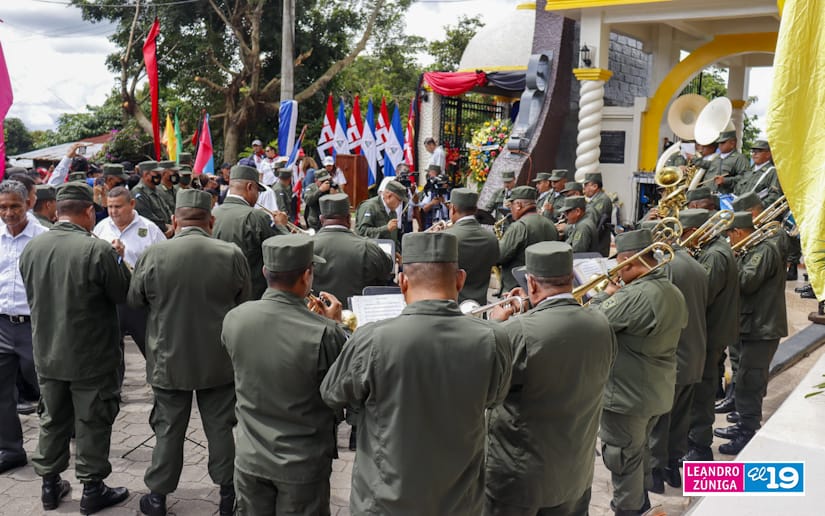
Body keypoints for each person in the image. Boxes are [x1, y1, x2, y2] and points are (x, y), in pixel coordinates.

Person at [321, 232, 513, 515]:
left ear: (402, 282)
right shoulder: (494, 338)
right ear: (460, 279)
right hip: (459, 501)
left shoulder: (372, 338)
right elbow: (495, 398)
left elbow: (332, 394)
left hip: (385, 502)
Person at [128, 189, 251, 516]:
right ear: (211, 221)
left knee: (168, 428)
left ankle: (157, 497)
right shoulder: (231, 254)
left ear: (174, 219)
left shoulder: (154, 254)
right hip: (218, 359)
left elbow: (134, 300)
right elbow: (244, 303)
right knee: (221, 427)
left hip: (168, 358)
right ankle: (228, 495)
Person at [19, 182, 132, 513]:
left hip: (48, 352)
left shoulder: (33, 247)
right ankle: (92, 489)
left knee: (52, 418)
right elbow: (122, 293)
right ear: (88, 212)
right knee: (92, 420)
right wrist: (119, 259)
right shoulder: (98, 250)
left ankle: (49, 485)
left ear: (57, 211)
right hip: (91, 356)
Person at [485, 241, 616, 516]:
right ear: (570, 278)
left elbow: (485, 391)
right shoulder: (601, 323)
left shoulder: (513, 332)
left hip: (519, 482)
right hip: (575, 474)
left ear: (531, 284)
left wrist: (496, 325)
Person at [222, 234, 347, 514]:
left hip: (251, 456)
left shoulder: (235, 318)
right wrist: (336, 327)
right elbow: (341, 392)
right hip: (301, 464)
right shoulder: (325, 332)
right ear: (307, 275)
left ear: (265, 272)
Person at [589, 229, 687, 516]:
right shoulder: (672, 290)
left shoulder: (634, 296)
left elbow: (592, 323)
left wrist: (605, 294)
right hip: (656, 389)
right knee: (638, 451)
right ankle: (641, 502)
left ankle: (628, 508)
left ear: (628, 261)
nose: (617, 272)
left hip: (626, 396)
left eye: (619, 264)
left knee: (622, 457)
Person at [640, 216, 708, 493]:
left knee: (659, 420)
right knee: (680, 417)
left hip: (673, 355)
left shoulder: (667, 267)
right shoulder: (696, 264)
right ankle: (673, 468)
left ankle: (656, 473)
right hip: (695, 353)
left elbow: (657, 311)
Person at [713, 212, 787, 455]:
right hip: (754, 324)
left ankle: (747, 432)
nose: (730, 241)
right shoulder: (755, 248)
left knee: (749, 381)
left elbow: (746, 281)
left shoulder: (763, 250)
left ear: (738, 232)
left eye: (730, 236)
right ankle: (744, 424)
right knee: (746, 378)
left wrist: (730, 262)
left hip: (762, 327)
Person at [682, 208, 740, 462]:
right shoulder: (711, 248)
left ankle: (700, 446)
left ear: (695, 231)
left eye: (684, 234)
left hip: (710, 333)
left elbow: (702, 294)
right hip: (709, 330)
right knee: (701, 387)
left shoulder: (714, 255)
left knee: (702, 391)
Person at [0, 180, 49, 475]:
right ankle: (10, 450)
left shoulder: (43, 239)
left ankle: (54, 449)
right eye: (3, 207)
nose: (8, 213)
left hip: (35, 326)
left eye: (15, 206)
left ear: (29, 204)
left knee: (48, 388)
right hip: (1, 325)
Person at [94, 186, 166, 361]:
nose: (113, 212)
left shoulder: (149, 229)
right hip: (111, 301)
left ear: (132, 204)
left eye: (118, 206)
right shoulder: (101, 228)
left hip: (140, 300)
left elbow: (164, 262)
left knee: (153, 350)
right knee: (111, 354)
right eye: (110, 207)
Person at [213, 165, 287, 300]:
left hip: (219, 295)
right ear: (249, 187)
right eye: (257, 191)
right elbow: (283, 251)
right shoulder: (257, 217)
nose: (257, 196)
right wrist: (281, 226)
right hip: (250, 296)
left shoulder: (213, 214)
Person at [312, 193, 393, 301]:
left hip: (317, 311)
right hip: (357, 311)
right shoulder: (367, 247)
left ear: (321, 219)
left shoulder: (307, 247)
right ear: (349, 219)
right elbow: (387, 269)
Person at [444, 188, 499, 306]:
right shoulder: (491, 238)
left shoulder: (446, 237)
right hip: (479, 307)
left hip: (452, 307)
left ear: (453, 208)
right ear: (475, 210)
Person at [497, 186, 559, 291]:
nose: (510, 210)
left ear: (518, 205)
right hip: (544, 286)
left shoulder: (519, 226)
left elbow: (499, 256)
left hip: (517, 288)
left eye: (511, 205)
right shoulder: (550, 224)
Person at [355, 179, 407, 252]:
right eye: (399, 200)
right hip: (369, 252)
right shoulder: (369, 207)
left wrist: (396, 251)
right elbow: (361, 232)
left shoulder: (393, 212)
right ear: (389, 196)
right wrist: (386, 228)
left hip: (385, 253)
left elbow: (393, 238)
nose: (400, 204)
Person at [734, 139, 782, 207]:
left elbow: (774, 196)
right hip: (739, 209)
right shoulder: (749, 171)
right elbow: (737, 190)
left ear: (768, 154)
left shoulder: (772, 172)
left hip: (757, 211)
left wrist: (759, 207)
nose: (754, 154)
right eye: (753, 151)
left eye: (759, 151)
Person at [133, 161, 173, 237]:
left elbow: (167, 209)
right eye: (156, 173)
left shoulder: (156, 189)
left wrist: (172, 225)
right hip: (151, 235)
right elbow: (147, 218)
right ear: (146, 175)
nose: (160, 174)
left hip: (166, 233)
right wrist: (166, 227)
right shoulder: (138, 192)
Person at [706, 130, 750, 195]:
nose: (720, 145)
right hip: (709, 195)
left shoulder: (740, 158)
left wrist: (725, 180)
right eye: (719, 143)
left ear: (732, 143)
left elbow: (745, 177)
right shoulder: (716, 158)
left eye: (723, 143)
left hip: (726, 196)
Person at [582, 172, 613, 257]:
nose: (584, 188)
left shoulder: (602, 200)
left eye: (586, 185)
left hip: (599, 243)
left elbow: (592, 220)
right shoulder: (595, 200)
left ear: (595, 186)